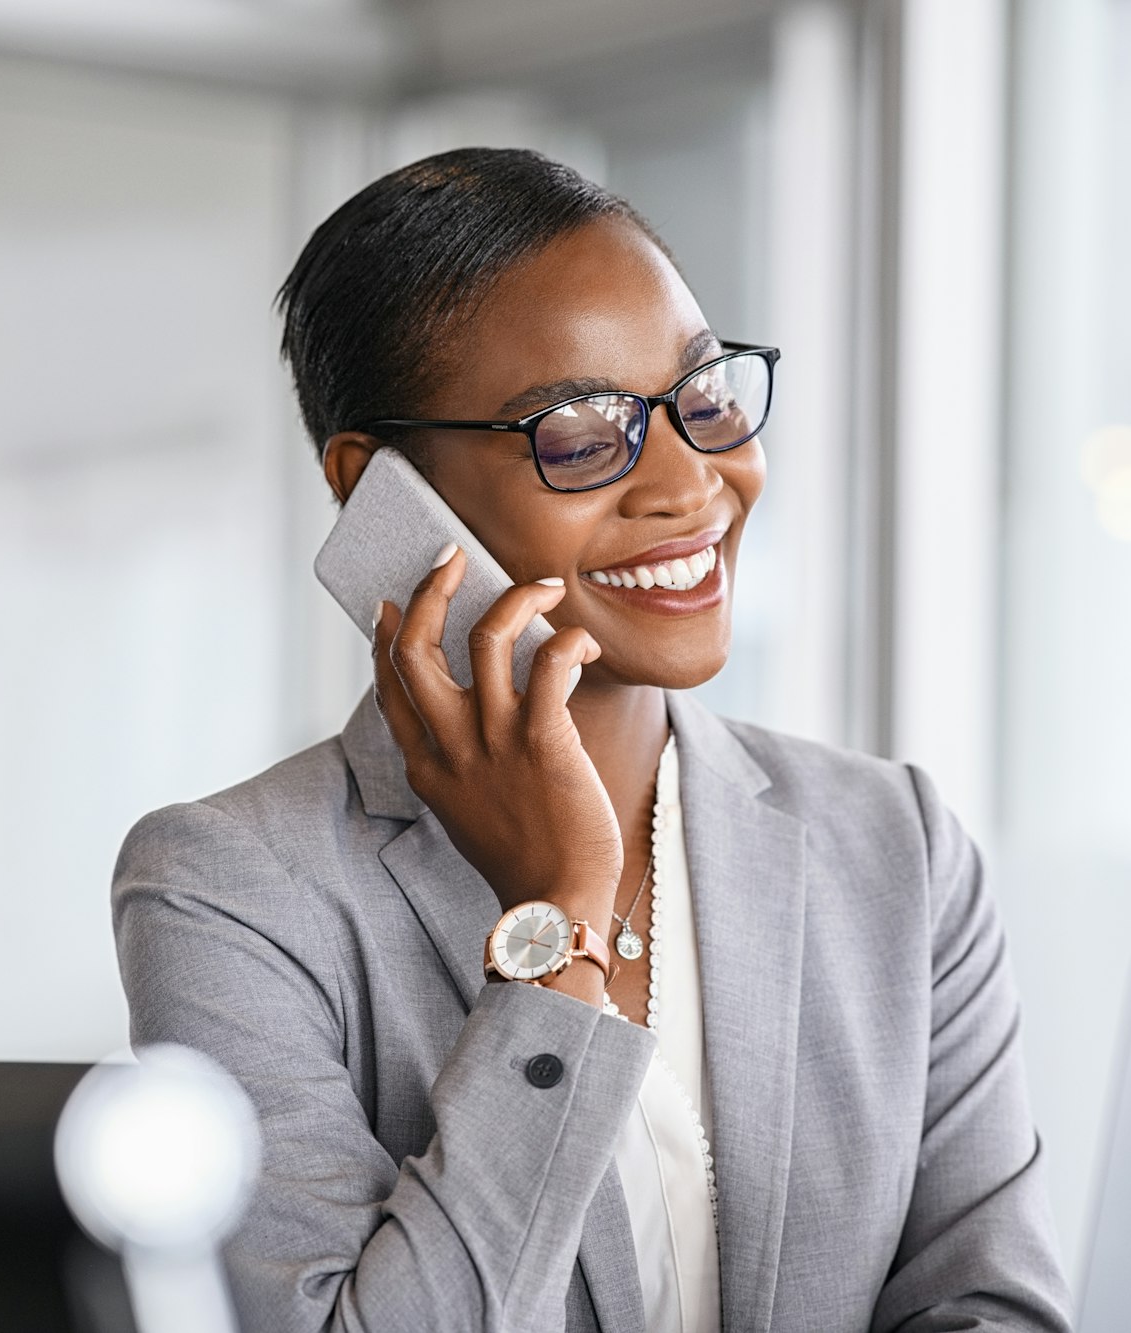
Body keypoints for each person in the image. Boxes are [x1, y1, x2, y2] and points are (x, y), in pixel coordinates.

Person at [112, 147, 1071, 1333]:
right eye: (579, 431)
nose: (687, 483)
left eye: (704, 396)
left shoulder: (893, 846)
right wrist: (555, 920)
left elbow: (990, 1309)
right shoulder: (232, 889)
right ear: (380, 491)